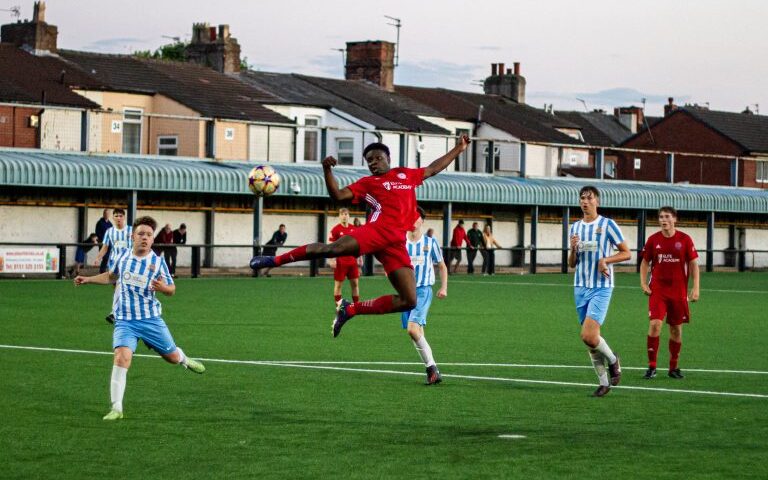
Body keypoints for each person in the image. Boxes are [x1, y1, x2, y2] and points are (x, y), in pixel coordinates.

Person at [249, 135, 471, 338]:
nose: (373, 163)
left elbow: (433, 168)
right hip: (376, 231)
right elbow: (337, 196)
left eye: (377, 158)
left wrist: (459, 149)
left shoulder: (406, 174)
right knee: (332, 249)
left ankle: (350, 309)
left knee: (409, 300)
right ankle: (272, 260)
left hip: (395, 242)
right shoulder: (367, 183)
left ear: (388, 158)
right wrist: (327, 170)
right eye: (369, 161)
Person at [74, 215, 205, 421]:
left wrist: (164, 288)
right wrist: (88, 279)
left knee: (170, 358)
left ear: (153, 239)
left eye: (149, 234)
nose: (144, 237)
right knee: (121, 357)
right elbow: (111, 276)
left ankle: (184, 359)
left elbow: (172, 289)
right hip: (125, 321)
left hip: (151, 320)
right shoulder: (123, 257)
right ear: (132, 236)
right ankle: (116, 408)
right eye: (140, 234)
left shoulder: (158, 263)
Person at [568, 186, 631, 397]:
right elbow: (571, 264)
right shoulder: (575, 227)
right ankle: (603, 382)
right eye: (582, 198)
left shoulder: (607, 224)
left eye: (589, 198)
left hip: (601, 287)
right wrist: (573, 250)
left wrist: (605, 260)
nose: (585, 201)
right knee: (590, 339)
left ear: (597, 201)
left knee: (588, 334)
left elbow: (626, 253)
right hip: (580, 286)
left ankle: (613, 360)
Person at [640, 206, 700, 380]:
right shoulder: (653, 240)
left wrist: (696, 287)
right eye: (660, 217)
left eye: (667, 217)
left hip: (678, 291)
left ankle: (673, 367)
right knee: (655, 325)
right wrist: (644, 282)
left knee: (675, 329)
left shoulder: (685, 239)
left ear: (675, 219)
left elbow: (694, 264)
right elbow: (645, 263)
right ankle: (652, 367)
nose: (663, 220)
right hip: (658, 290)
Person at [401, 207, 447, 385]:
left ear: (422, 221)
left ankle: (431, 368)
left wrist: (443, 287)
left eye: (416, 218)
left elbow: (442, 266)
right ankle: (432, 370)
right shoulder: (400, 242)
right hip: (405, 292)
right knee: (417, 332)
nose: (412, 221)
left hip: (422, 291)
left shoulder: (430, 242)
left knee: (412, 329)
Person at [93, 208, 133, 324]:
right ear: (113, 217)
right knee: (119, 287)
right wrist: (98, 258)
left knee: (121, 287)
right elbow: (105, 247)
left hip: (128, 264)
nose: (118, 218)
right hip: (114, 264)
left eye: (121, 216)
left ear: (124, 217)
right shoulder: (110, 231)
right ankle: (120, 312)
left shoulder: (131, 231)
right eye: (116, 216)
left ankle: (114, 313)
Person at [328, 208, 361, 304]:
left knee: (355, 284)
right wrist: (331, 260)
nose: (344, 216)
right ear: (339, 216)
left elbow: (358, 245)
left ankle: (356, 306)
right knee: (338, 285)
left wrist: (359, 258)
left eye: (346, 214)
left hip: (352, 261)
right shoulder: (335, 230)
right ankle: (339, 307)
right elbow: (330, 246)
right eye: (342, 214)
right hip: (340, 262)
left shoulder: (354, 229)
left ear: (349, 216)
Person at [95, 209, 113, 273]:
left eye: (108, 214)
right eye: (106, 214)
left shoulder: (110, 224)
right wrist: (103, 240)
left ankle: (103, 271)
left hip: (109, 244)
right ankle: (102, 271)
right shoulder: (99, 223)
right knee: (104, 257)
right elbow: (97, 233)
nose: (107, 215)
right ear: (103, 214)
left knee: (107, 258)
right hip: (102, 243)